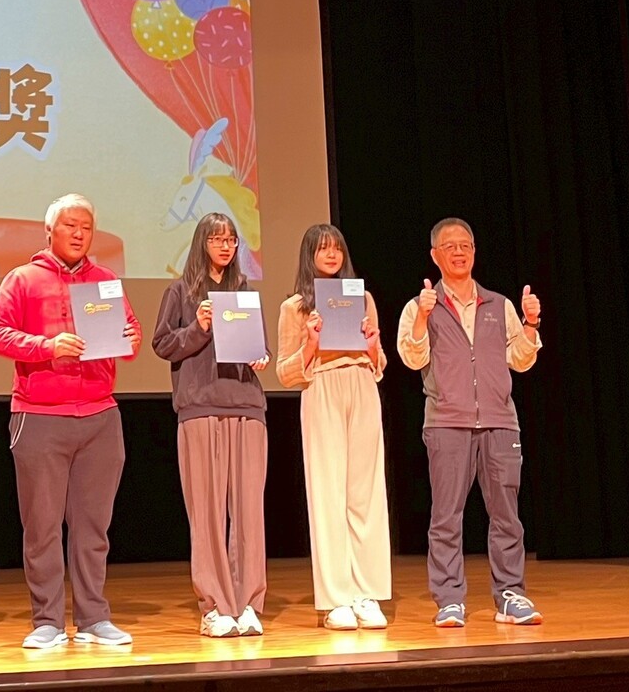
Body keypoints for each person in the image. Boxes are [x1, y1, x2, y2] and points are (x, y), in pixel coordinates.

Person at [0, 193, 142, 649]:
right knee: (43, 527)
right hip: (39, 416)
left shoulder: (106, 281)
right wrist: (46, 346)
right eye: (70, 225)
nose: (78, 233)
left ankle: (93, 617)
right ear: (49, 230)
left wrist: (129, 338)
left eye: (86, 227)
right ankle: (48, 620)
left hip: (99, 414)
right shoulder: (23, 278)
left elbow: (131, 335)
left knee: (94, 528)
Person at [395, 218, 544, 627]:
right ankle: (449, 599)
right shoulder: (419, 306)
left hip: (500, 421)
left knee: (507, 516)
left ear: (474, 252)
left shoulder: (498, 304)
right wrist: (424, 316)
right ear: (435, 256)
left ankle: (511, 595)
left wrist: (530, 324)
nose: (459, 252)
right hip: (447, 422)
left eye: (465, 245)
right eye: (450, 246)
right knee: (446, 517)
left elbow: (520, 361)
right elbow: (411, 357)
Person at [152, 212, 271, 638]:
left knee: (249, 513)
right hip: (200, 407)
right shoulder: (180, 291)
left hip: (246, 406)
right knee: (207, 513)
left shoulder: (244, 292)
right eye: (217, 239)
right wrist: (199, 327)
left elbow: (258, 345)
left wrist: (261, 355)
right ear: (202, 243)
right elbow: (163, 344)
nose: (225, 247)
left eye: (232, 240)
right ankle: (216, 605)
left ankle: (248, 603)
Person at [276, 223, 392, 631]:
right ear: (309, 255)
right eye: (323, 249)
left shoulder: (362, 298)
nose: (331, 255)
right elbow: (285, 373)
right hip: (322, 386)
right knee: (328, 493)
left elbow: (379, 363)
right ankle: (335, 599)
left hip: (361, 384)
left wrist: (373, 347)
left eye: (337, 248)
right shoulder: (295, 307)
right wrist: (311, 342)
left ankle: (366, 593)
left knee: (366, 492)